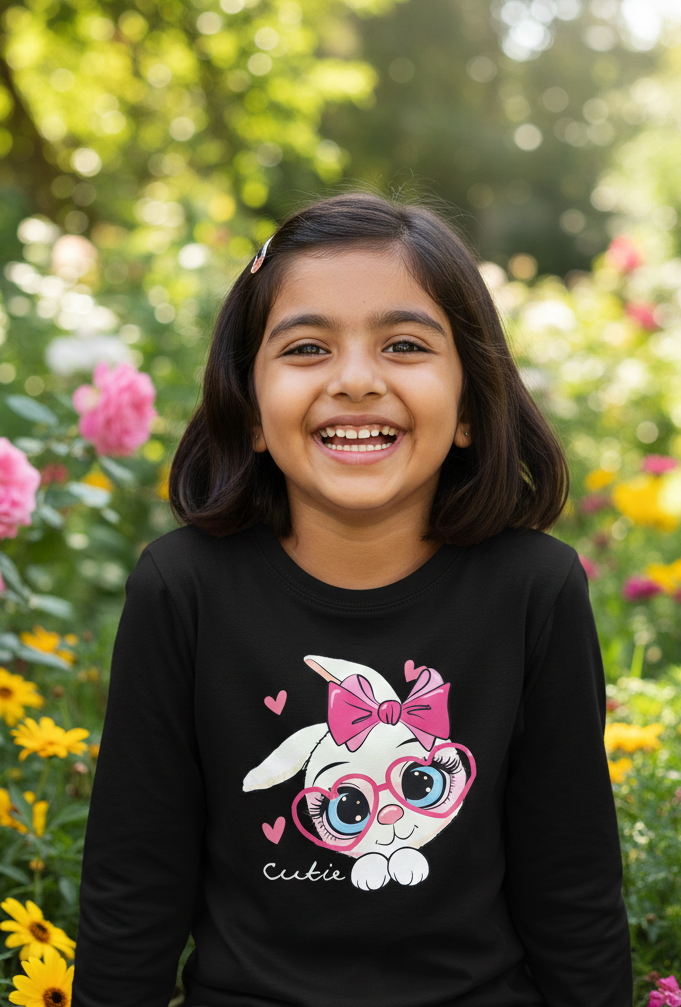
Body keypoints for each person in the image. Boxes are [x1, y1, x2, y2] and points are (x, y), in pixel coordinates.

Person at [73, 192, 633, 1007]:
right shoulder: (182, 588)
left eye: (404, 345)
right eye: (307, 348)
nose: (358, 380)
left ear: (470, 405)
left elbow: (572, 885)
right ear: (251, 409)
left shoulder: (535, 590)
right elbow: (134, 887)